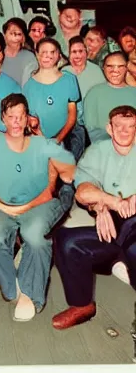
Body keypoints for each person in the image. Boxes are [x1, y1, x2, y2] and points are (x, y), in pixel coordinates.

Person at [0, 93, 76, 322]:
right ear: (2, 118)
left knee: (34, 235)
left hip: (38, 204)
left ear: (27, 119)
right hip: (4, 206)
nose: (16, 121)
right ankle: (14, 285)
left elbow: (69, 172)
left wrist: (54, 174)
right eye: (11, 116)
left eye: (21, 116)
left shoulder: (42, 143)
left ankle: (32, 296)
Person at [52, 105, 136, 330]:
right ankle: (82, 305)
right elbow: (82, 191)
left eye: (131, 126)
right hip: (112, 225)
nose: (125, 131)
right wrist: (105, 205)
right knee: (67, 241)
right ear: (109, 128)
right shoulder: (98, 150)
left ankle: (124, 259)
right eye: (119, 126)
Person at [23, 38, 80, 150]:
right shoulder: (29, 86)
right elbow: (30, 119)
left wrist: (58, 140)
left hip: (64, 140)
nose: (48, 56)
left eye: (52, 52)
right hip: (38, 142)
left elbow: (72, 115)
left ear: (59, 55)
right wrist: (39, 137)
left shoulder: (69, 80)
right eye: (44, 52)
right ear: (37, 54)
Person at [62, 36, 106, 144]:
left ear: (86, 53)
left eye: (81, 51)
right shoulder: (63, 72)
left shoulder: (96, 70)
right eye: (74, 52)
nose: (78, 55)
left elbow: (102, 97)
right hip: (70, 123)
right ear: (69, 54)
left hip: (93, 122)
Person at [84, 52, 136, 143]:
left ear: (126, 68)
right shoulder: (94, 93)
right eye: (110, 66)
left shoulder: (133, 92)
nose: (115, 71)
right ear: (103, 68)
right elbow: (91, 129)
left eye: (120, 66)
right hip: (103, 147)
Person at [1, 17, 38, 86]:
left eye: (19, 34)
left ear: (23, 37)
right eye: (11, 33)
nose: (14, 38)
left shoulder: (29, 57)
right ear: (4, 35)